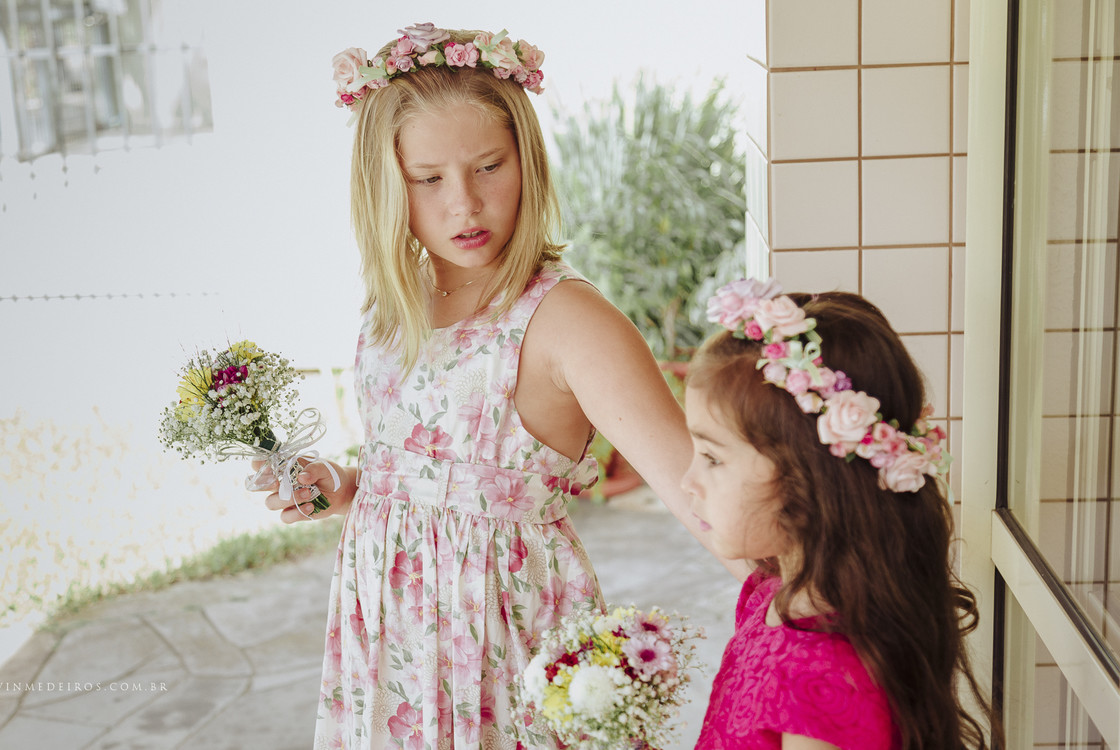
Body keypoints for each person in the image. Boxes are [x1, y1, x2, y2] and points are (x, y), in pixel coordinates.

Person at [257, 23, 704, 749]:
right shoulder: (394, 307)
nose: (463, 205)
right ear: (387, 185)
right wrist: (343, 484)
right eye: (428, 179)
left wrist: (817, 601)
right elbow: (420, 471)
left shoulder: (565, 320)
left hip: (503, 647)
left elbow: (701, 493)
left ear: (526, 160)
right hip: (390, 650)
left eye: (488, 167)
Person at [682, 279, 1001, 750]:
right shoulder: (772, 593)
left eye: (712, 457)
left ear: (805, 479)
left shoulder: (820, 686)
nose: (688, 481)